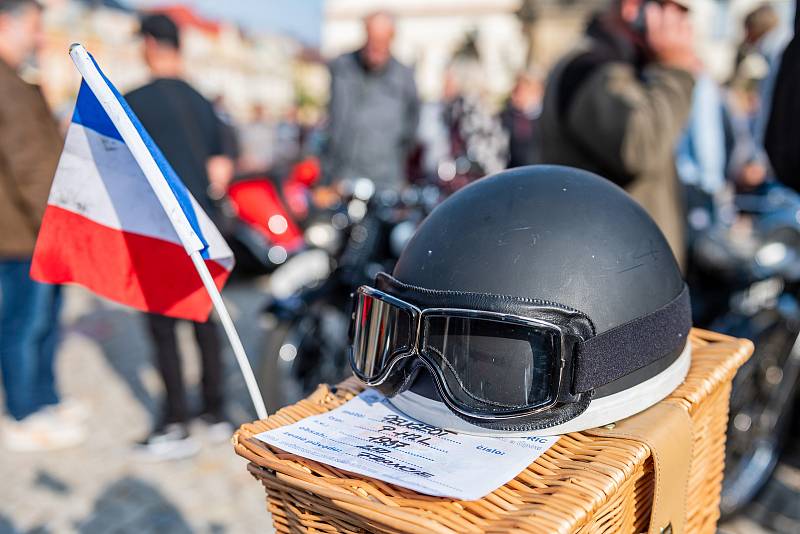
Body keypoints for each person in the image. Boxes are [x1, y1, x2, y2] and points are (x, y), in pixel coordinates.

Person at [125, 13, 234, 459]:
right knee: (203, 319)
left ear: (150, 44)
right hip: (200, 225)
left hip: (154, 229)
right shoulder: (204, 102)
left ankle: (175, 421)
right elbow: (221, 172)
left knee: (162, 326)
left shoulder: (133, 101)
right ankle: (215, 410)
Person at [539, 0, 697, 267]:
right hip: (608, 276)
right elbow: (638, 146)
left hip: (631, 270)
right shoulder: (589, 69)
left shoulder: (628, 68)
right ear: (633, 7)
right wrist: (676, 71)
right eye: (674, 11)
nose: (684, 26)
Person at [0, 0, 87, 451]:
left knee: (47, 321)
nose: (38, 38)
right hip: (22, 234)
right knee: (23, 324)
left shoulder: (18, 80)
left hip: (35, 229)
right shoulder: (5, 84)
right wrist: (58, 224)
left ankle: (45, 398)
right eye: (32, 27)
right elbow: (29, 164)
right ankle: (23, 412)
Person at [322, 10, 419, 191]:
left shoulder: (404, 77)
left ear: (392, 39)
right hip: (343, 176)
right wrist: (330, 175)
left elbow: (411, 128)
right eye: (372, 39)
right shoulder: (342, 67)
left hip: (386, 179)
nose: (376, 47)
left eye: (382, 41)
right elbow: (333, 122)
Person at [500, 70, 544, 168]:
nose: (513, 96)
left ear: (535, 91)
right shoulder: (505, 118)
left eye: (519, 91)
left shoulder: (545, 120)